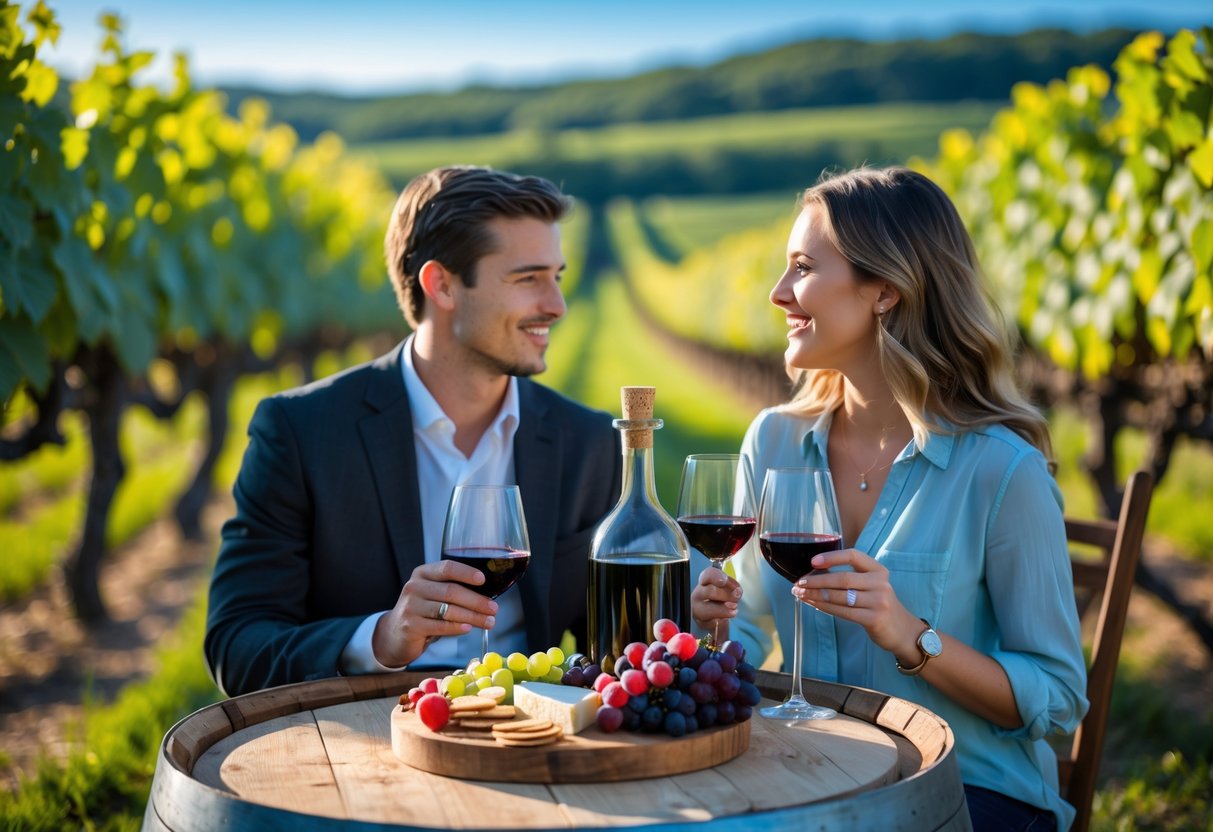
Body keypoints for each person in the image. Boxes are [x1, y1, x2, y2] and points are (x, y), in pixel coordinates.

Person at [691, 167, 1088, 831]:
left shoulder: (1000, 470)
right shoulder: (775, 440)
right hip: (816, 774)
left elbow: (1056, 696)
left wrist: (910, 635)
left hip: (971, 791)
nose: (777, 292)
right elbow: (751, 625)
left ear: (883, 290)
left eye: (801, 268)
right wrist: (715, 623)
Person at [205, 165, 621, 697]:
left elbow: (616, 648)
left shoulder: (586, 443)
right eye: (528, 279)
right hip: (364, 742)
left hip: (529, 742)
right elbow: (237, 645)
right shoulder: (301, 433)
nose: (557, 305)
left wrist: (686, 616)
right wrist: (381, 637)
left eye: (557, 276)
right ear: (441, 284)